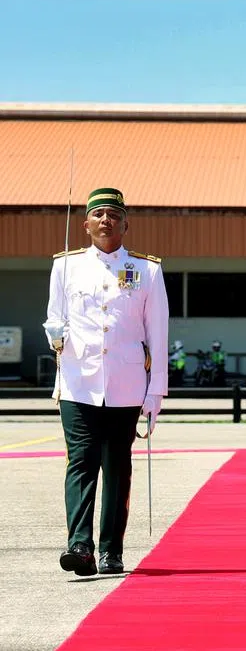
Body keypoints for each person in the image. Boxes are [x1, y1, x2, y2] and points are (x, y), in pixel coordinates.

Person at [44, 187, 168, 577]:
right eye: (97, 213)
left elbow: (158, 332)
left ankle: (111, 549)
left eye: (113, 214)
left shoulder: (146, 270)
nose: (105, 220)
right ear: (85, 224)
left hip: (127, 383)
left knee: (117, 466)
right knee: (80, 462)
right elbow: (52, 317)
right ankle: (79, 544)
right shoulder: (65, 266)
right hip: (79, 382)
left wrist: (156, 391)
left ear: (125, 224)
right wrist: (54, 333)